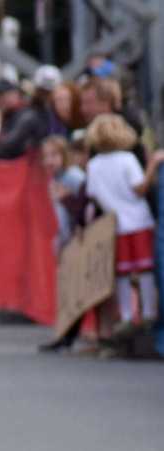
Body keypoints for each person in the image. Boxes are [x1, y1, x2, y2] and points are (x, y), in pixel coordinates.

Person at [85, 113, 164, 343]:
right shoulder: (127, 159)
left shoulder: (93, 165)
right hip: (138, 221)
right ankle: (148, 312)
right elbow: (139, 188)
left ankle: (128, 314)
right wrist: (153, 164)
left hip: (117, 224)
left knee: (123, 272)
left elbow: (93, 195)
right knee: (145, 269)